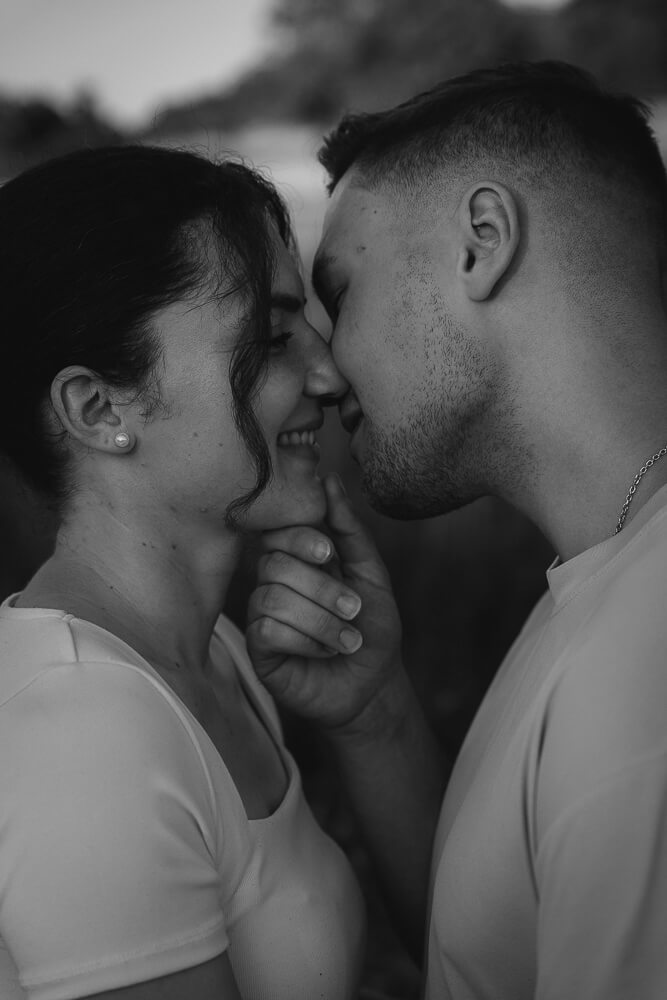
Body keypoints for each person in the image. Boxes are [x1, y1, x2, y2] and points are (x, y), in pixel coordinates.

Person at [246, 61, 667, 999]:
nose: (324, 372)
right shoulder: (607, 579)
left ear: (483, 241)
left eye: (340, 296)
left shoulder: (646, 671)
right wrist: (377, 715)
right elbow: (493, 957)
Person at [0, 145, 367, 1000]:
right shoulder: (82, 728)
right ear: (99, 408)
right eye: (271, 339)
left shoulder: (217, 652)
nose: (328, 373)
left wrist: (372, 713)